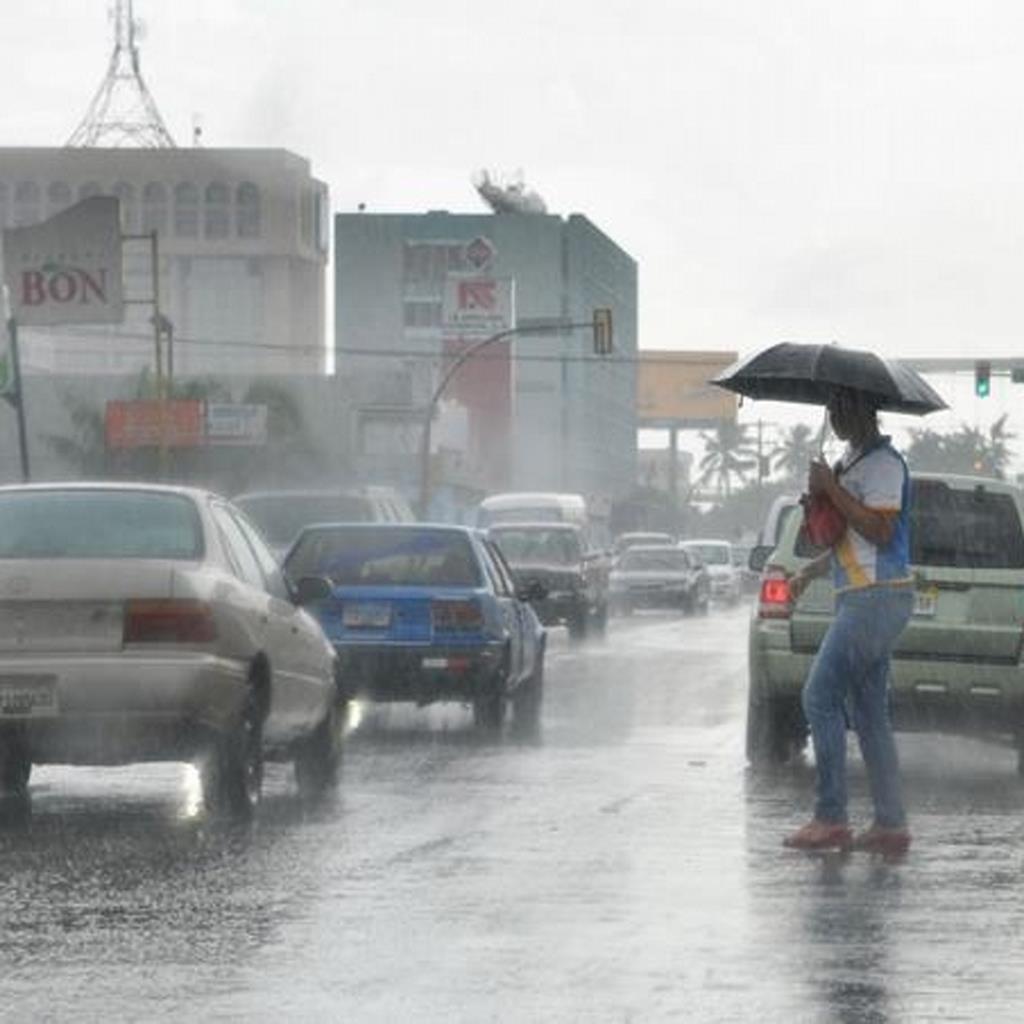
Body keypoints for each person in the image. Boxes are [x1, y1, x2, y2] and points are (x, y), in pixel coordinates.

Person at [783, 386, 915, 856]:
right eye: (831, 407)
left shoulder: (882, 464)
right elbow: (845, 542)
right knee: (868, 714)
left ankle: (832, 816)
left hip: (876, 598)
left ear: (863, 409)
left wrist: (833, 490)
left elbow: (880, 532)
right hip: (863, 596)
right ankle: (890, 822)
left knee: (819, 694)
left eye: (842, 406)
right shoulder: (852, 461)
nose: (835, 415)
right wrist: (809, 568)